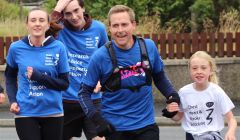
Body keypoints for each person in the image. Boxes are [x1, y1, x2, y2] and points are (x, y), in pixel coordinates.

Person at [78, 5, 180, 140]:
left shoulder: (148, 47)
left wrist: (172, 96)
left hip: (146, 126)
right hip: (115, 129)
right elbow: (83, 93)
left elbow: (159, 77)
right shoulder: (100, 56)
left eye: (124, 24)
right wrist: (97, 119)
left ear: (133, 25)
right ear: (110, 28)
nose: (120, 30)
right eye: (115, 26)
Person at [5, 8, 70, 140]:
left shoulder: (59, 48)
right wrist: (12, 101)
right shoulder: (16, 48)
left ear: (47, 25)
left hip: (53, 112)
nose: (37, 24)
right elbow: (10, 77)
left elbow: (64, 84)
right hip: (26, 112)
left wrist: (39, 77)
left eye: (41, 20)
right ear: (27, 24)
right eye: (33, 20)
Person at [47, 0, 109, 140]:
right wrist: (57, 8)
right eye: (68, 13)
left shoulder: (99, 28)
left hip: (92, 98)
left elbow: (107, 58)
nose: (74, 16)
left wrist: (102, 79)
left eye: (76, 11)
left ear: (83, 8)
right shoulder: (58, 29)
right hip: (65, 100)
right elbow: (40, 29)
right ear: (63, 16)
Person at [166, 51, 237, 140]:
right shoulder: (184, 92)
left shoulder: (216, 91)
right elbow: (178, 117)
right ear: (189, 70)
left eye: (203, 68)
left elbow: (231, 119)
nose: (199, 71)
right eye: (194, 68)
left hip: (212, 136)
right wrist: (170, 112)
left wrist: (231, 132)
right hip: (191, 136)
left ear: (210, 70)